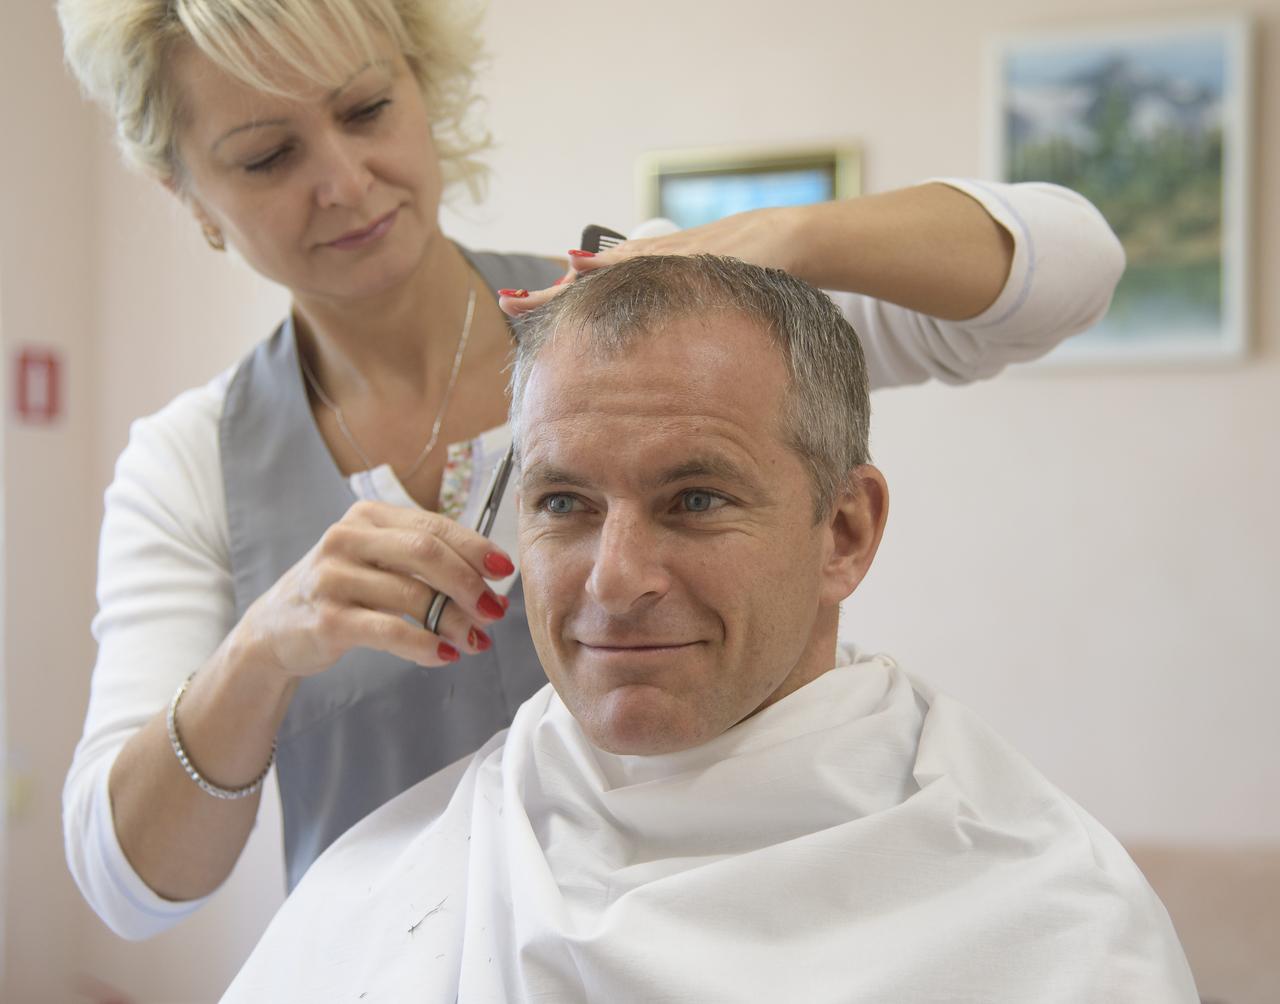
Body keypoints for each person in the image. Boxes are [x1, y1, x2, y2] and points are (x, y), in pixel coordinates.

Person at [57, 0, 1127, 942]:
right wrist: (265, 647)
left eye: (366, 109)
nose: (342, 180)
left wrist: (771, 241)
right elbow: (133, 887)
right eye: (265, 156)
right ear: (187, 191)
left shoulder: (649, 333)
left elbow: (1070, 265)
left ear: (424, 93)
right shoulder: (191, 464)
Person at [222, 255, 1195, 1002]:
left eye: (692, 497)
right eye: (563, 501)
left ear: (842, 531)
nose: (614, 579)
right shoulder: (402, 873)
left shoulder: (1041, 917)